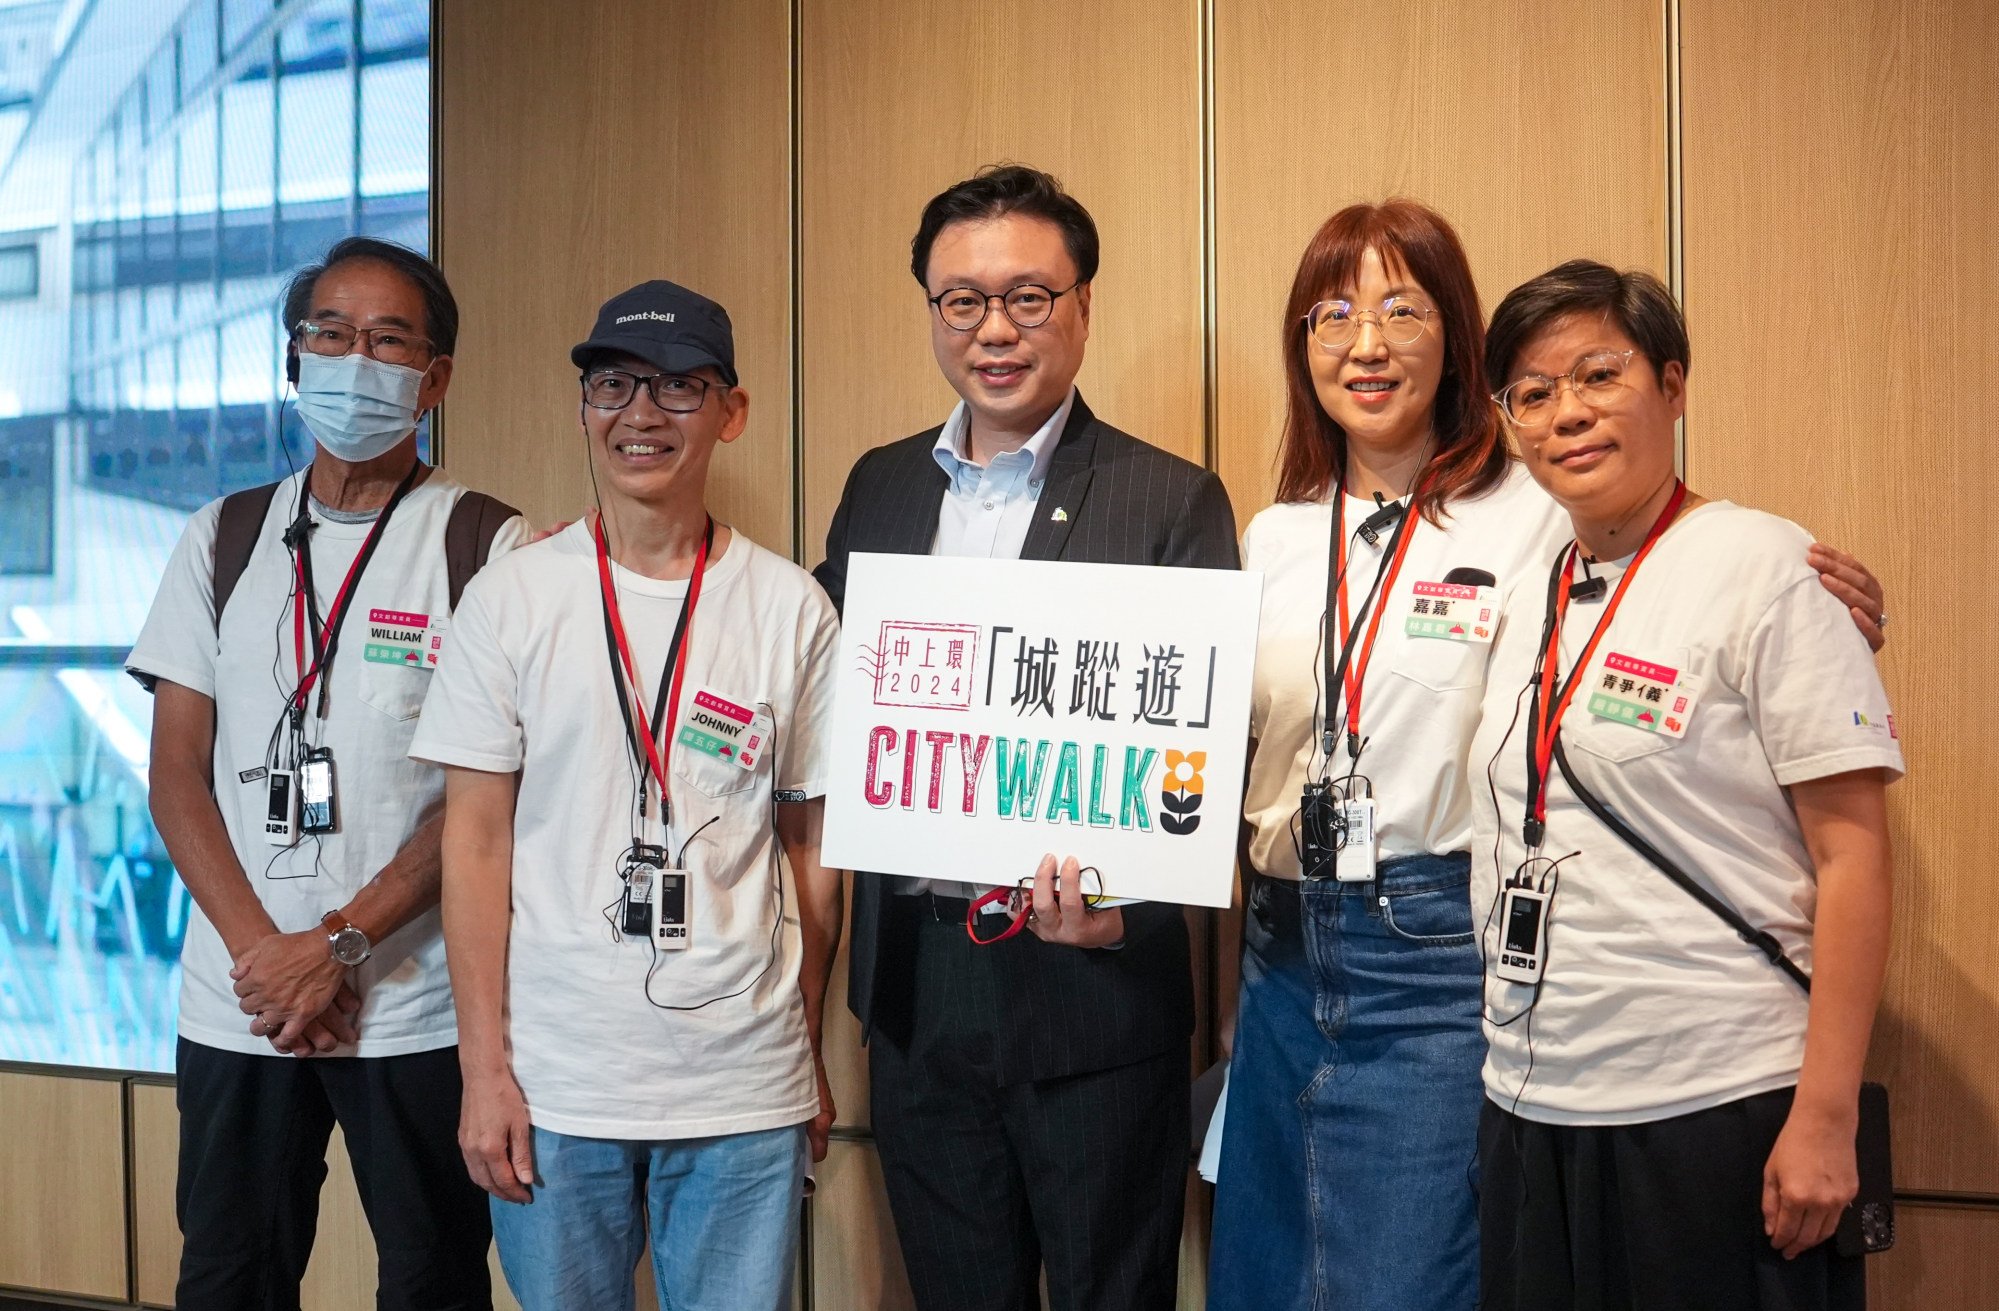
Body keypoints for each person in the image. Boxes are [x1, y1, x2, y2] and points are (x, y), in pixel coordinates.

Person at [1206, 202, 1889, 1311]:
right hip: (1288, 957)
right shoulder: (1272, 536)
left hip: (1439, 951)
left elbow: (1680, 583)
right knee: (1267, 1282)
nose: (1365, 343)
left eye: (1399, 309)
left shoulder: (1533, 503)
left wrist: (1828, 605)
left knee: (1404, 1286)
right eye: (1332, 314)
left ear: (1456, 341)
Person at [813, 164, 1237, 1311]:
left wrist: (1126, 912)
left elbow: (1203, 750)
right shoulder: (882, 485)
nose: (993, 329)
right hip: (917, 979)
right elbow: (807, 661)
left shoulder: (1169, 497)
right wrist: (631, 557)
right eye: (961, 300)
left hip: (1090, 986)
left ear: (1083, 305)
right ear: (933, 312)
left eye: (1028, 297)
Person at [1471, 260, 1899, 1311]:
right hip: (1535, 1094)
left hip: (1712, 1105)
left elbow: (1853, 858)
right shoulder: (1530, 589)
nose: (1565, 413)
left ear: (1672, 384)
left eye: (1597, 376)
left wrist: (1826, 1116)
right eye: (1531, 393)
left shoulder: (1763, 565)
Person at [411, 280, 843, 1311]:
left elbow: (809, 849)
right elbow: (473, 845)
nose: (641, 415)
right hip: (557, 1084)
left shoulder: (790, 607)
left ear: (730, 412)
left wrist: (804, 1045)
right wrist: (484, 1074)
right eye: (614, 385)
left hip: (744, 1087)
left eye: (679, 388)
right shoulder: (513, 596)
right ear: (583, 407)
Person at [129, 236, 526, 1310]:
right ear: (294, 361)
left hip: (413, 1005)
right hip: (241, 1005)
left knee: (435, 1276)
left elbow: (490, 803)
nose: (358, 359)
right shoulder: (224, 535)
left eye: (390, 339)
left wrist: (340, 945)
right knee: (227, 1275)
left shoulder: (487, 546)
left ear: (434, 379)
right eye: (331, 334)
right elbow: (177, 776)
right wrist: (275, 962)